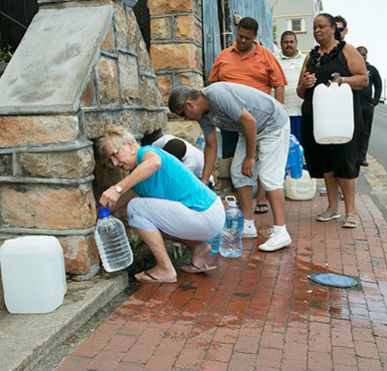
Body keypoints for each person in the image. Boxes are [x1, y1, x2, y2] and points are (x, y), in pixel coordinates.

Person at [168, 82, 292, 252]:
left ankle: (281, 231)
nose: (186, 119)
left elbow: (250, 121)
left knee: (269, 177)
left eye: (183, 114)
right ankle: (248, 224)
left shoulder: (218, 94)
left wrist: (249, 157)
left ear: (189, 104)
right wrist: (204, 180)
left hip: (272, 123)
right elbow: (211, 146)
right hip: (248, 129)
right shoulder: (203, 115)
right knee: (238, 173)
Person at [97, 126, 225, 283]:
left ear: (129, 144)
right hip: (207, 217)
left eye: (115, 155)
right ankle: (197, 247)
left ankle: (165, 269)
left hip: (206, 213)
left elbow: (154, 163)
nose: (115, 163)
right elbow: (117, 201)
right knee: (149, 222)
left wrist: (118, 188)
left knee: (135, 208)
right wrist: (97, 214)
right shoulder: (137, 177)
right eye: (110, 160)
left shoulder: (147, 152)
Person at [209, 16, 287, 215]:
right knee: (235, 162)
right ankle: (242, 205)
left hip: (260, 120)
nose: (243, 41)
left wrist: (278, 111)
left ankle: (261, 198)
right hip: (231, 120)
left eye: (247, 38)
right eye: (240, 36)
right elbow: (213, 85)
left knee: (260, 159)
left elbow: (278, 85)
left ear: (255, 37)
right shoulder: (224, 56)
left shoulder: (266, 55)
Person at [296, 13, 368, 229]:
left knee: (344, 160)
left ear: (333, 28)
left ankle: (351, 211)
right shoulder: (311, 57)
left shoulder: (347, 50)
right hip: (316, 119)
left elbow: (363, 79)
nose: (317, 31)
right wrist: (306, 85)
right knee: (325, 161)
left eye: (322, 27)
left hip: (342, 117)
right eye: (315, 28)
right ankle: (332, 208)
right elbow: (300, 91)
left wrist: (343, 80)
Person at [276, 30, 307, 144]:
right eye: (285, 42)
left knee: (302, 148)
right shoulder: (274, 61)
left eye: (291, 42)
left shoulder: (306, 60)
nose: (289, 44)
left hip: (302, 112)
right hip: (283, 115)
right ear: (281, 43)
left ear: (296, 43)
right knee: (285, 148)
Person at [356, 46, 382, 167]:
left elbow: (378, 85)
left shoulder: (371, 70)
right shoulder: (351, 69)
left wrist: (374, 102)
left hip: (367, 106)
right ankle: (354, 156)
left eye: (364, 55)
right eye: (359, 54)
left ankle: (362, 156)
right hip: (354, 105)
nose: (362, 57)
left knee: (365, 132)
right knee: (355, 132)